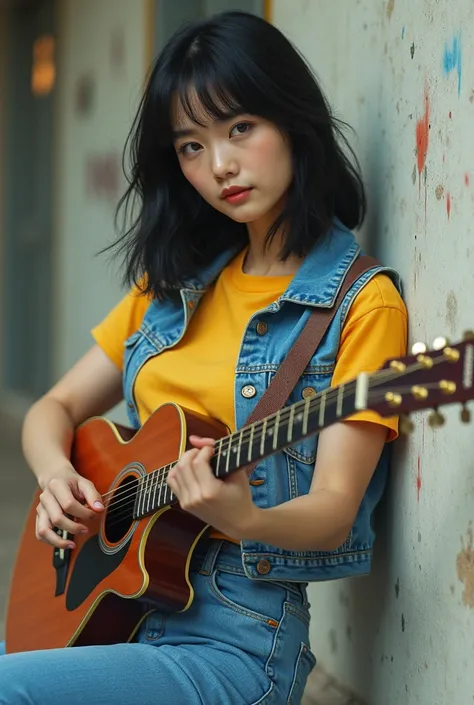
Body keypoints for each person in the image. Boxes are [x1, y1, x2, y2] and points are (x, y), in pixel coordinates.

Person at [0, 10, 407, 705]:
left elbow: (335, 509)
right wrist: (57, 476)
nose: (218, 165)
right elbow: (55, 408)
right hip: (109, 616)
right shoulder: (172, 286)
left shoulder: (359, 304)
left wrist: (241, 514)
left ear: (291, 119)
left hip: (234, 634)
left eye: (239, 128)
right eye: (190, 146)